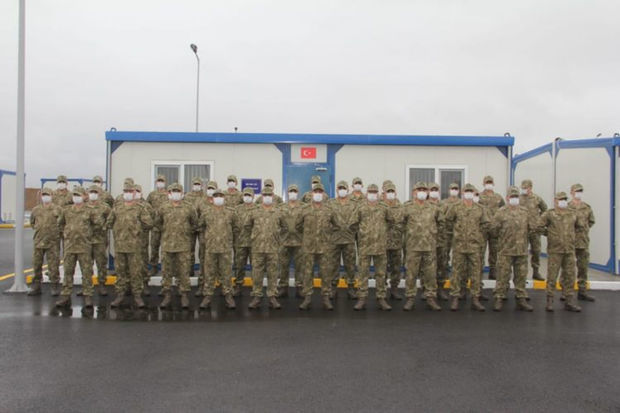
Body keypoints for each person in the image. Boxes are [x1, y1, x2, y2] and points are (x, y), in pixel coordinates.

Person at [55, 187, 103, 308]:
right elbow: (60, 224)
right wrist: (67, 233)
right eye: (74, 195)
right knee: (68, 271)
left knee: (86, 271)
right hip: (70, 246)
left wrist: (87, 233)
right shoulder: (66, 211)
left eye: (79, 195)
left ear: (84, 196)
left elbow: (98, 224)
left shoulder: (89, 210)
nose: (76, 197)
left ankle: (88, 295)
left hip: (84, 246)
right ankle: (66, 295)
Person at [491, 186, 537, 312]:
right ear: (507, 198)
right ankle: (499, 297)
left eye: (516, 196)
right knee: (502, 276)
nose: (514, 199)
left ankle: (521, 299)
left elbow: (532, 228)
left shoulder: (525, 212)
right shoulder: (501, 212)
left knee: (521, 276)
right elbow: (493, 230)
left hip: (521, 251)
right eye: (512, 197)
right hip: (505, 251)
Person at [107, 183, 153, 308]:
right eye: (126, 191)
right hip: (120, 246)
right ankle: (120, 295)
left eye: (130, 191)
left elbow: (149, 223)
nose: (128, 193)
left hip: (134, 247)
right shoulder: (117, 208)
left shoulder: (140, 208)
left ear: (134, 193)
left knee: (135, 272)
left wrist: (137, 231)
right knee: (120, 271)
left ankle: (137, 295)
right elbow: (109, 223)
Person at [445, 183, 490, 312]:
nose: (469, 193)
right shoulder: (455, 207)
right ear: (463, 193)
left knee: (475, 273)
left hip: (474, 246)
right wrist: (456, 233)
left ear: (474, 193)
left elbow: (486, 224)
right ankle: (455, 297)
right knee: (456, 273)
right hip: (459, 246)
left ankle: (475, 299)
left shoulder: (480, 208)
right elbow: (448, 221)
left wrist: (478, 235)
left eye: (471, 191)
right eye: (467, 191)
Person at [351, 184, 393, 311]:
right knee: (363, 273)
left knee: (381, 274)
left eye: (375, 192)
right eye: (370, 192)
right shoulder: (360, 207)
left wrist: (382, 233)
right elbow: (353, 224)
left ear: (378, 193)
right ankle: (362, 298)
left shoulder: (384, 208)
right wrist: (362, 234)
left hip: (380, 246)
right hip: (365, 246)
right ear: (366, 193)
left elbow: (391, 222)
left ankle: (381, 298)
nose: (372, 194)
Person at [156, 183, 198, 309]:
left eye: (178, 191)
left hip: (183, 245)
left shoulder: (189, 208)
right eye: (173, 191)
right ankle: (167, 294)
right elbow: (158, 223)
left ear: (182, 193)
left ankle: (184, 294)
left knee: (184, 271)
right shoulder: (163, 207)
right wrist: (167, 233)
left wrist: (185, 232)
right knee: (166, 271)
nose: (176, 194)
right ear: (169, 193)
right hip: (167, 245)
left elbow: (194, 223)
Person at [402, 182, 442, 311]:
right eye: (419, 189)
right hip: (413, 246)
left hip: (429, 247)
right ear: (413, 192)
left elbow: (441, 223)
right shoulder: (407, 207)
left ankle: (430, 298)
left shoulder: (433, 207)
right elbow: (401, 223)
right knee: (411, 274)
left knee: (430, 274)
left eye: (424, 190)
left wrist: (434, 236)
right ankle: (410, 298)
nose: (422, 192)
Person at [540, 192, 583, 312]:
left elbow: (579, 226)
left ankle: (569, 300)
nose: (563, 201)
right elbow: (539, 226)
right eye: (560, 199)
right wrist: (550, 234)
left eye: (564, 199)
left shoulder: (572, 214)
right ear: (555, 201)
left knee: (570, 276)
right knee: (552, 276)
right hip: (555, 250)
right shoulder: (549, 214)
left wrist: (571, 237)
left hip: (569, 250)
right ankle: (549, 301)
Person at [296, 184, 336, 310]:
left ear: (323, 194)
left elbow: (336, 225)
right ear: (311, 193)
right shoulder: (304, 209)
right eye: (315, 191)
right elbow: (297, 226)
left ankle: (326, 298)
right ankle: (307, 297)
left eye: (320, 192)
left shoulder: (329, 210)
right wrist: (307, 237)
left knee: (326, 273)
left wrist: (327, 236)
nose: (318, 194)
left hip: (324, 247)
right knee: (307, 273)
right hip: (308, 247)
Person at [245, 186, 285, 309]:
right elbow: (247, 226)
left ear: (273, 196)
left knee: (273, 273)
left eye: (269, 195)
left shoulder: (278, 212)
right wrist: (255, 237)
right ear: (262, 197)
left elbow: (284, 227)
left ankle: (272, 297)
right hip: (258, 248)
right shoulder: (254, 211)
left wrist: (277, 240)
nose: (267, 197)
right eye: (265, 195)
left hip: (273, 248)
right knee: (257, 273)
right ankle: (257, 296)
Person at [199, 189, 238, 310]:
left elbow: (236, 228)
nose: (218, 198)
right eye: (216, 196)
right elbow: (201, 226)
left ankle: (228, 295)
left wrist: (230, 240)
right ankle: (208, 296)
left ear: (224, 198)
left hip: (225, 248)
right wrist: (205, 240)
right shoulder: (206, 212)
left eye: (221, 196)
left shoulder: (231, 212)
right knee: (209, 273)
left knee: (226, 273)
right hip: (210, 248)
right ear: (212, 199)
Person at [28, 187, 62, 296]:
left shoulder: (57, 209)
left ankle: (54, 285)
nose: (45, 197)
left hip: (53, 242)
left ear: (52, 196)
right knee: (36, 264)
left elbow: (62, 223)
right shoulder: (36, 210)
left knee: (53, 265)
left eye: (47, 195)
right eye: (44, 195)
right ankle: (36, 286)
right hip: (39, 241)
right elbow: (32, 223)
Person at [328, 180, 358, 300]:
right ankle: (333, 288)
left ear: (348, 190)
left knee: (350, 265)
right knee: (333, 265)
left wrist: (351, 230)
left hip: (348, 239)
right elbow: (326, 219)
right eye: (340, 188)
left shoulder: (353, 204)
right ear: (337, 190)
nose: (342, 190)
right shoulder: (330, 203)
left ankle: (351, 288)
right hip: (334, 239)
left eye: (344, 188)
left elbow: (357, 220)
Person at [568, 183, 596, 302]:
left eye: (580, 191)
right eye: (576, 191)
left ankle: (582, 292)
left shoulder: (586, 207)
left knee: (583, 268)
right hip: (569, 242)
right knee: (568, 269)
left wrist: (582, 230)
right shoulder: (567, 207)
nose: (578, 193)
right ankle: (566, 293)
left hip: (583, 242)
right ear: (571, 192)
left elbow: (591, 221)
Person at [278, 184, 305, 298]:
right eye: (291, 191)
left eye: (294, 191)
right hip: (284, 241)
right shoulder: (281, 207)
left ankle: (300, 288)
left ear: (297, 193)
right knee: (283, 265)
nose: (292, 193)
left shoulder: (303, 207)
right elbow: (277, 223)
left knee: (300, 266)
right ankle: (283, 287)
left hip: (299, 241)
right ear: (288, 193)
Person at [519, 179, 548, 281]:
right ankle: (522, 273)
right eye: (522, 188)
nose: (524, 189)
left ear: (530, 188)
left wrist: (539, 220)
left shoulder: (537, 198)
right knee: (522, 253)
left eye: (526, 188)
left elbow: (545, 210)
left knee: (536, 251)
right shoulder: (519, 199)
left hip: (535, 230)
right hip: (522, 230)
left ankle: (536, 272)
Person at [86, 185, 111, 296]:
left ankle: (102, 285)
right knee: (86, 264)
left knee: (101, 263)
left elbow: (110, 220)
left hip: (100, 239)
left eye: (95, 192)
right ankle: (87, 286)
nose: (93, 194)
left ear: (99, 194)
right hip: (86, 240)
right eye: (91, 192)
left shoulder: (104, 207)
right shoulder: (84, 207)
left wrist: (104, 227)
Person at [479, 176, 505, 280]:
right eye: (487, 182)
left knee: (494, 250)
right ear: (483, 184)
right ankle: (479, 270)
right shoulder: (479, 197)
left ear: (493, 184)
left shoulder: (498, 197)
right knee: (481, 250)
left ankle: (493, 270)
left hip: (495, 228)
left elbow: (504, 210)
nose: (488, 184)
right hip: (483, 228)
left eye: (490, 182)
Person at [383, 182, 405, 300]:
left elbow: (405, 223)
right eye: (388, 191)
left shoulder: (401, 207)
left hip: (396, 242)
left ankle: (394, 289)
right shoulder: (380, 206)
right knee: (382, 268)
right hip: (382, 243)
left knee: (396, 268)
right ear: (384, 193)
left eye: (392, 191)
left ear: (395, 193)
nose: (390, 193)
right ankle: (382, 290)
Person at [232, 187, 256, 296]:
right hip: (240, 242)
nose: (247, 197)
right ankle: (238, 285)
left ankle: (256, 287)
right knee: (239, 265)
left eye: (249, 195)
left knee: (255, 266)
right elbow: (233, 224)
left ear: (253, 197)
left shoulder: (257, 209)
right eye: (245, 195)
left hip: (254, 243)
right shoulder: (237, 209)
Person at [427, 182, 448, 300]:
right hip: (428, 241)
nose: (434, 192)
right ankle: (427, 289)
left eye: (436, 190)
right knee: (428, 266)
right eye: (432, 190)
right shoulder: (425, 205)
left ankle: (440, 289)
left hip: (441, 240)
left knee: (442, 265)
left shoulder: (444, 205)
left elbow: (449, 221)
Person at [133, 185, 155, 295]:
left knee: (143, 262)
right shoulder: (124, 205)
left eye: (138, 191)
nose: (136, 193)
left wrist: (142, 229)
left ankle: (145, 284)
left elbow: (151, 220)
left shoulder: (146, 206)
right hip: (128, 241)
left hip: (142, 240)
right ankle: (130, 285)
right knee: (130, 263)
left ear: (141, 193)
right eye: (134, 191)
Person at [185, 177, 207, 285]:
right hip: (191, 226)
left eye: (198, 184)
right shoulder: (187, 196)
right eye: (195, 184)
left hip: (202, 227)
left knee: (203, 249)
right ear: (192, 185)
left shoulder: (205, 196)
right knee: (190, 249)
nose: (197, 186)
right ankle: (190, 270)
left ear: (201, 185)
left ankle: (203, 271)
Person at [147, 175, 169, 278]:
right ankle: (153, 267)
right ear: (156, 182)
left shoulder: (168, 194)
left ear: (165, 182)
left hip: (166, 227)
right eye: (159, 181)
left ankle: (166, 268)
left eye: (162, 181)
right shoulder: (152, 195)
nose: (160, 183)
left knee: (166, 249)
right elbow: (146, 208)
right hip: (155, 226)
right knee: (154, 247)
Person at [440, 182, 461, 285]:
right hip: (446, 233)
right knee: (444, 255)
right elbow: (441, 217)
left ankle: (457, 277)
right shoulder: (443, 203)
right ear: (449, 190)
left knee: (458, 257)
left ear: (459, 191)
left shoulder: (461, 203)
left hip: (458, 233)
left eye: (456, 189)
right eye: (452, 189)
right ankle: (444, 276)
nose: (454, 190)